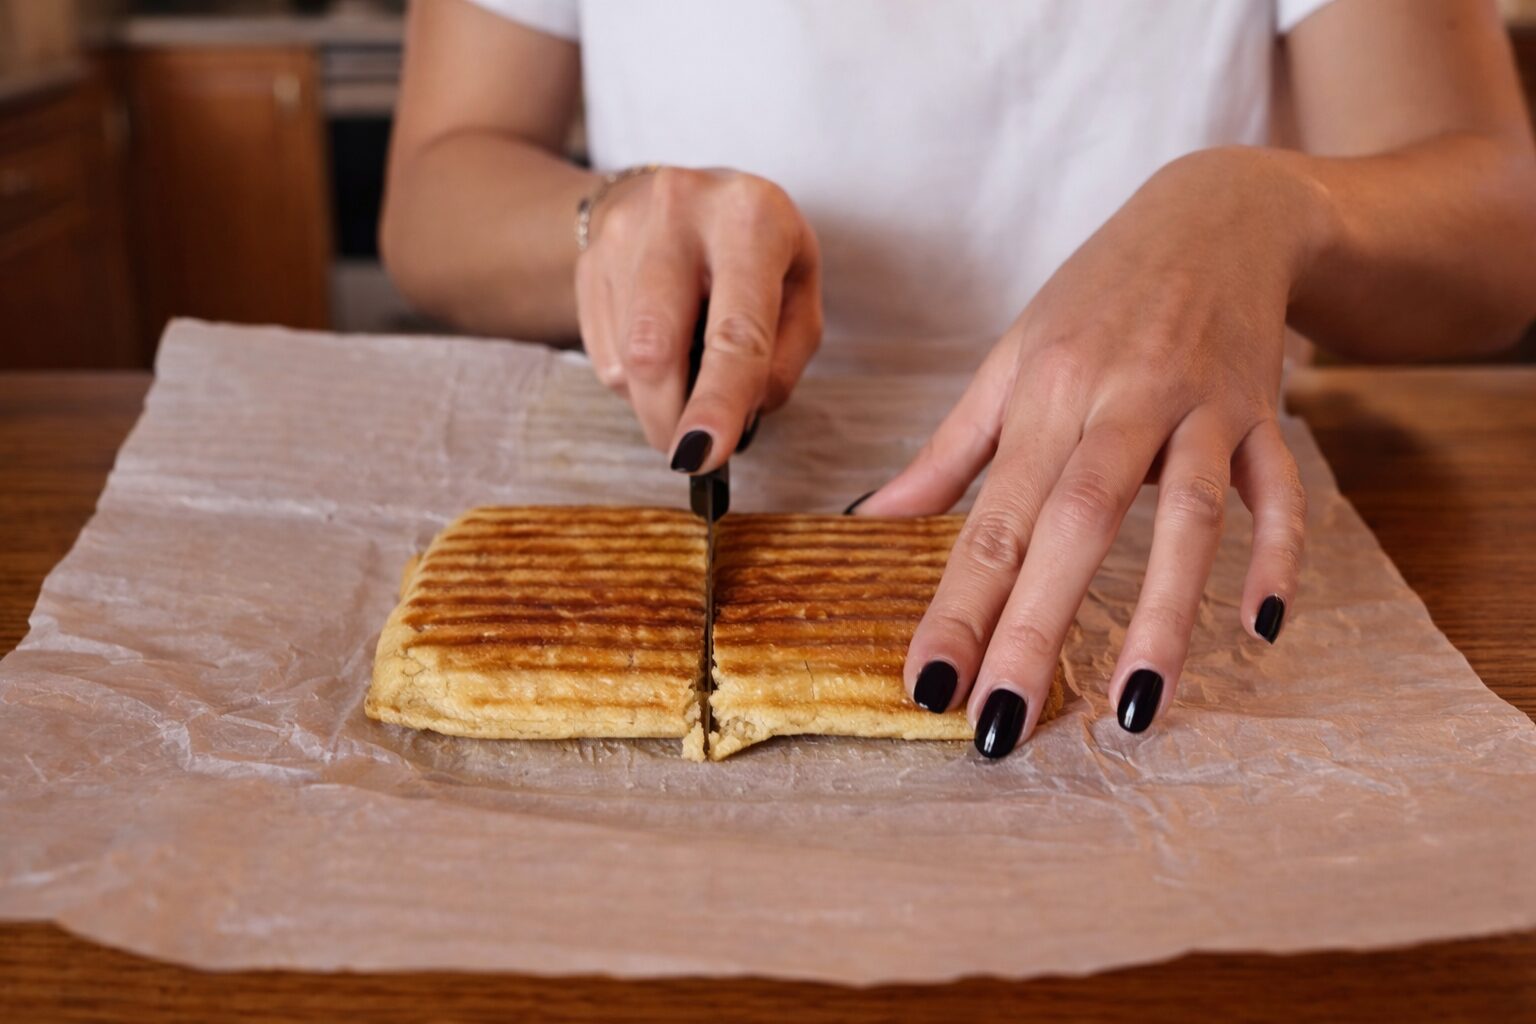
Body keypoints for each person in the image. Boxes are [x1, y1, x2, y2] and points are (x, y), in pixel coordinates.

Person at [380, 0, 1536, 758]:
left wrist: (1268, 208)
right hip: (662, 468)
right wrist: (610, 216)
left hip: (1157, 510)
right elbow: (435, 188)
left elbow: (1497, 230)